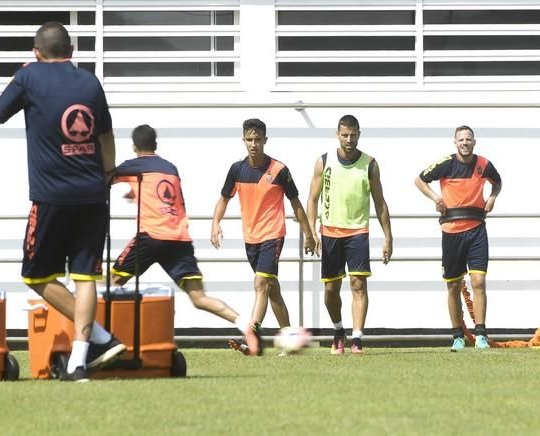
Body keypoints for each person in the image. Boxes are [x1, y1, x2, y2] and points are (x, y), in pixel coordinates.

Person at [0, 22, 126, 382]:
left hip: (51, 198)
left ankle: (102, 338)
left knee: (37, 275)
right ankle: (79, 361)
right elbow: (106, 134)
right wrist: (109, 172)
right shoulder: (90, 82)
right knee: (86, 277)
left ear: (35, 52)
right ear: (72, 50)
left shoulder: (28, 79)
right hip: (92, 196)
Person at [110, 124, 261, 356]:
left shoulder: (133, 166)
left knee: (110, 284)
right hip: (179, 239)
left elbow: (104, 178)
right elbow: (167, 196)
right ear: (156, 146)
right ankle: (245, 324)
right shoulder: (171, 168)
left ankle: (99, 340)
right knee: (199, 298)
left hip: (151, 236)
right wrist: (135, 190)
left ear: (134, 147)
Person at [211, 118, 316, 355]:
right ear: (243, 141)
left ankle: (251, 337)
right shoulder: (236, 170)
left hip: (273, 234)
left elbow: (296, 203)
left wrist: (308, 234)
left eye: (258, 139)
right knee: (271, 288)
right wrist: (215, 223)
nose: (253, 144)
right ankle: (292, 338)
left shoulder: (279, 170)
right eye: (249, 139)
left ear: (265, 140)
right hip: (251, 238)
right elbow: (224, 198)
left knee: (260, 284)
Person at [306, 114, 393, 355]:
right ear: (337, 135)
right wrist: (310, 231)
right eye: (344, 135)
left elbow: (380, 202)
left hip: (358, 231)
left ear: (359, 134)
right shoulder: (323, 162)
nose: (349, 139)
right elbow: (312, 200)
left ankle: (357, 338)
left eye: (353, 134)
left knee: (358, 284)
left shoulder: (370, 164)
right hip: (330, 231)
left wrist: (388, 237)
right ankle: (337, 331)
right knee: (331, 289)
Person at [414, 125, 502, 351]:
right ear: (455, 142)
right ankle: (457, 336)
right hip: (452, 232)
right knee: (453, 285)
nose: (465, 143)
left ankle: (481, 334)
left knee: (479, 281)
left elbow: (497, 182)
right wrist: (436, 198)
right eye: (461, 139)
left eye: (468, 139)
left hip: (477, 230)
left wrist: (492, 197)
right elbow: (419, 180)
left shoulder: (483, 164)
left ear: (474, 142)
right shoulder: (446, 163)